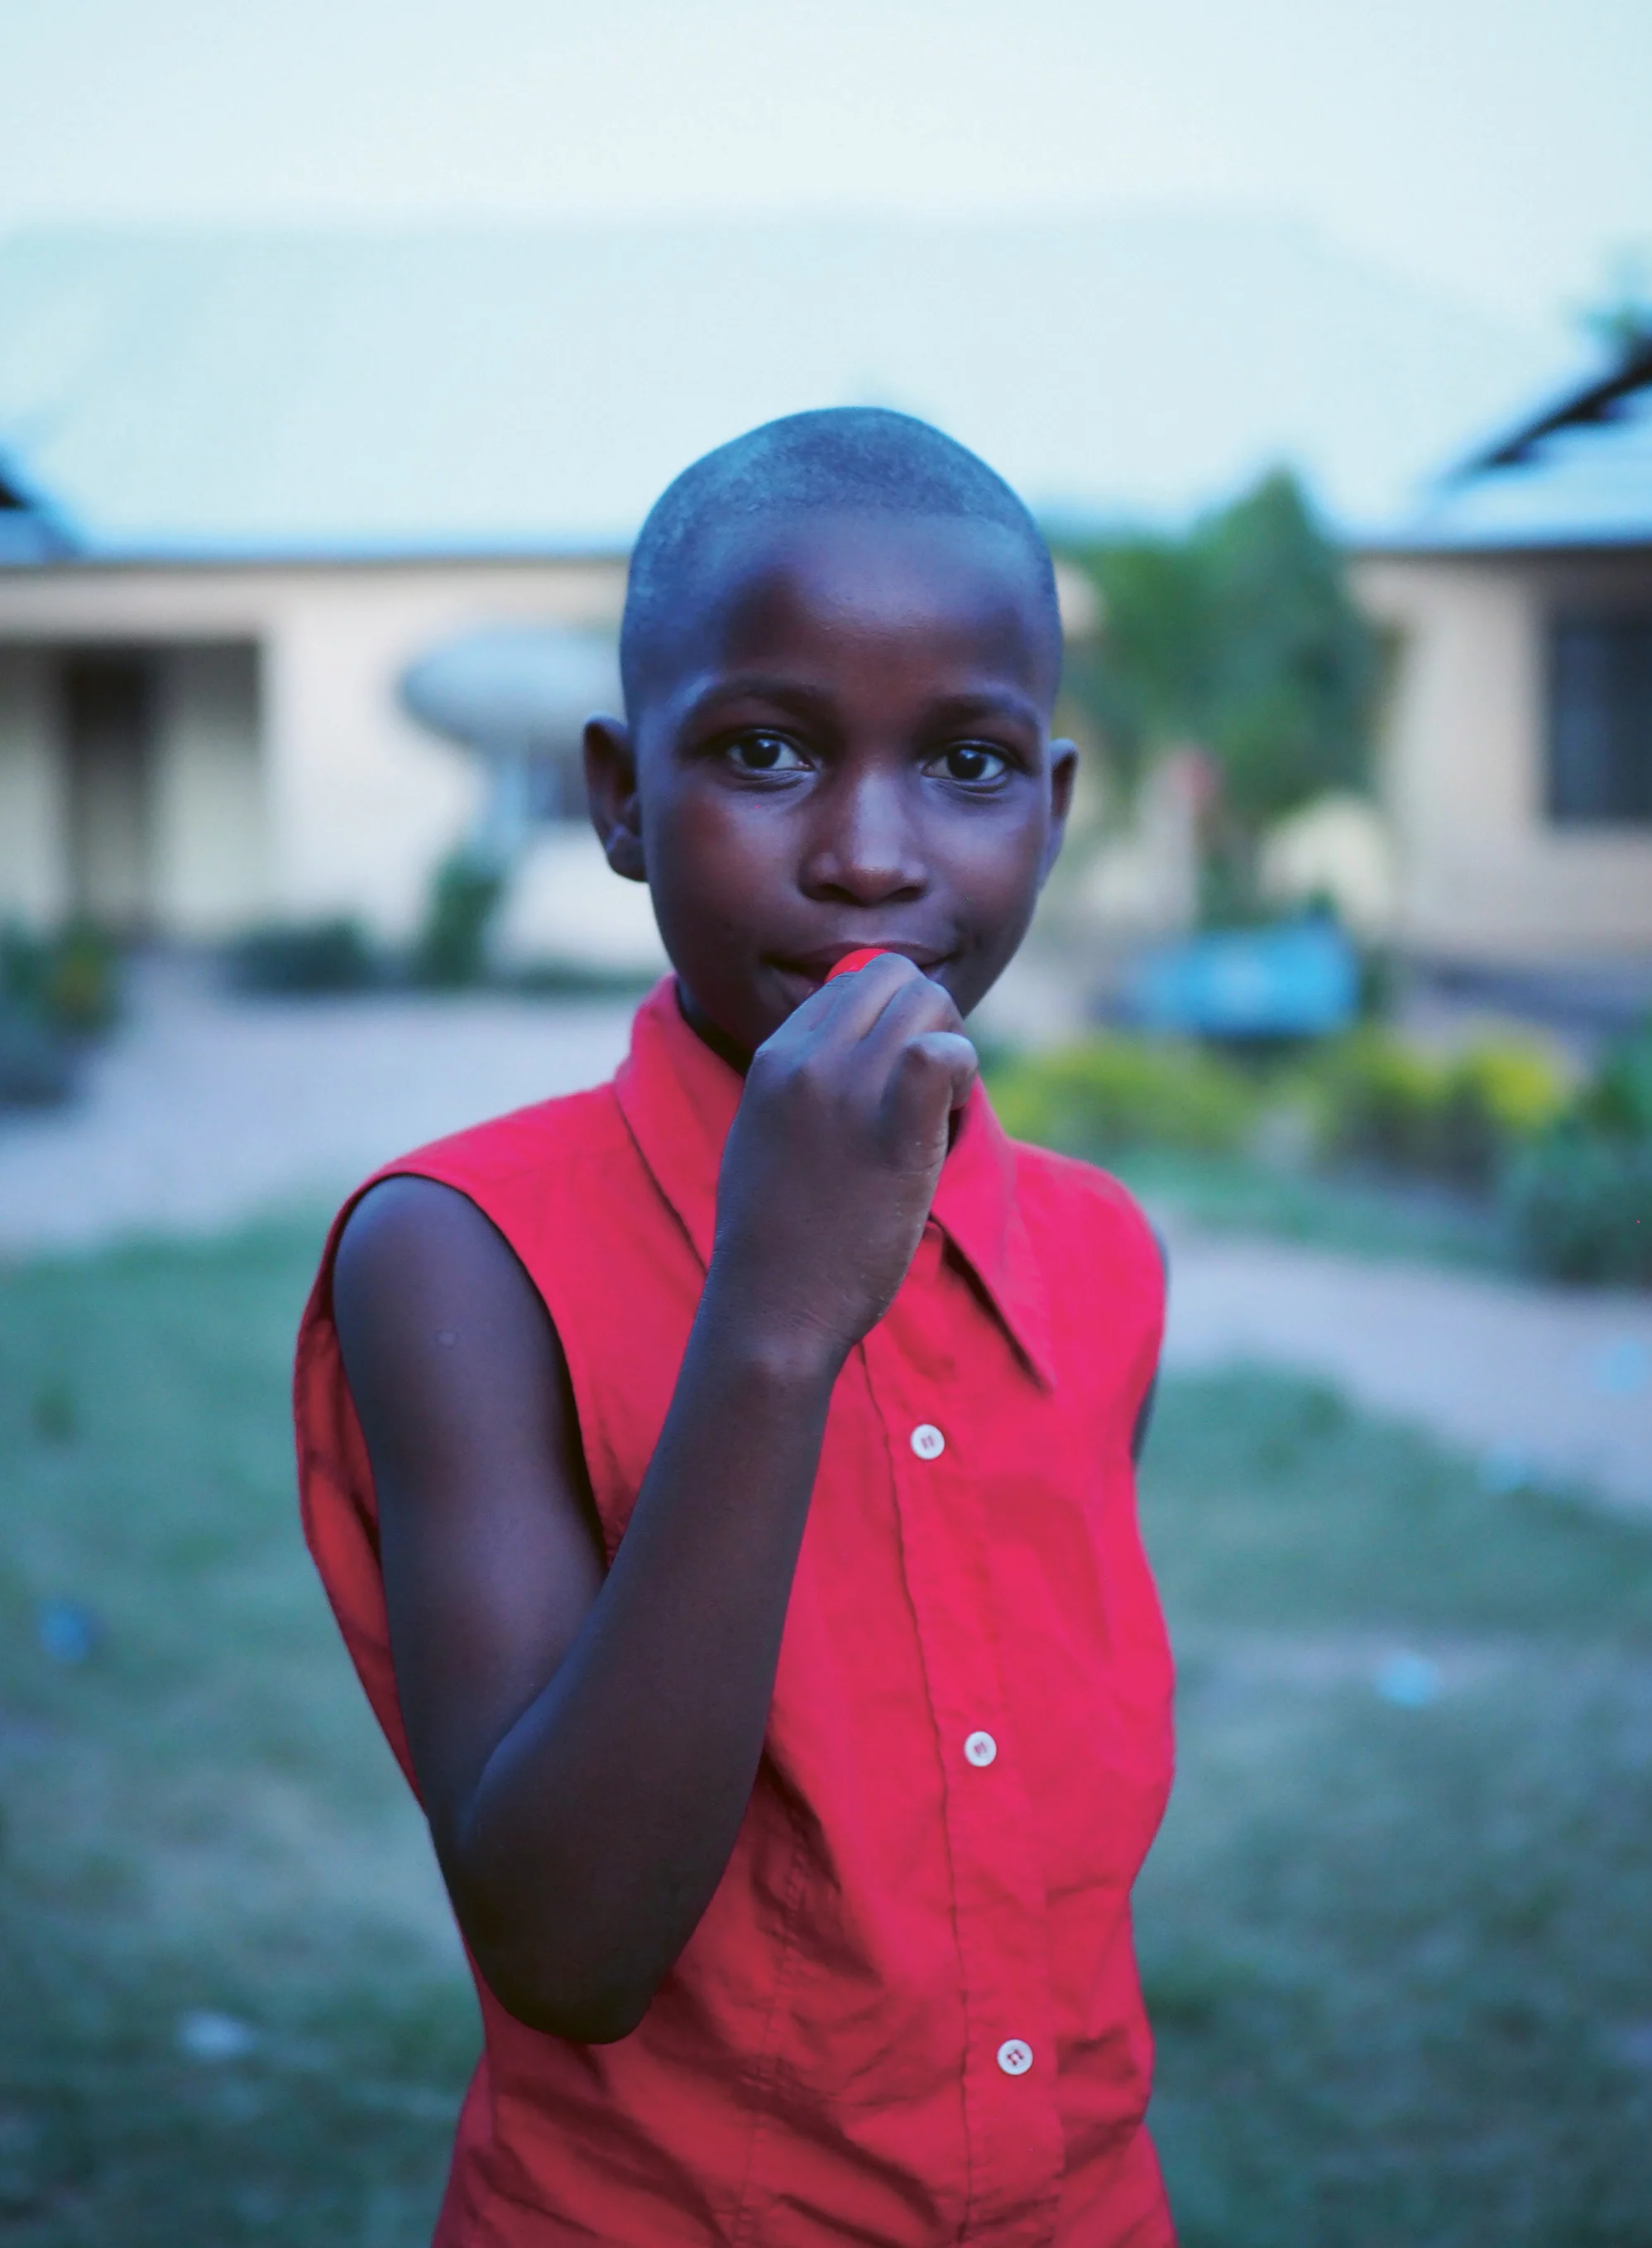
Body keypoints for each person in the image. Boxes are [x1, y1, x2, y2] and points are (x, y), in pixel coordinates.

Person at [294, 407, 1176, 2246]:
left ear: (1053, 808)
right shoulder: (460, 1250)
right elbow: (570, 1942)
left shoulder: (1098, 1260)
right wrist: (771, 1319)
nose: (869, 854)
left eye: (966, 763)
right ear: (620, 794)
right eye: (765, 750)